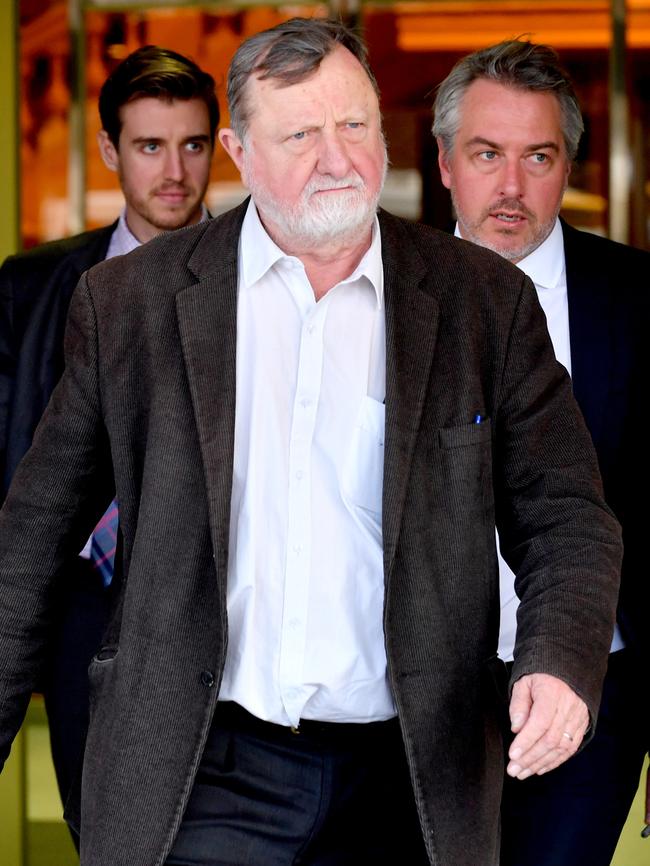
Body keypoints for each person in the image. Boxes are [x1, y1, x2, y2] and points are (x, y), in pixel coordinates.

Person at [0, 19, 621, 866]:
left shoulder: (485, 304)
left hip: (412, 771)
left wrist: (558, 659)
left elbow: (567, 516)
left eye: (355, 126)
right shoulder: (131, 305)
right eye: (300, 135)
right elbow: (32, 538)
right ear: (238, 150)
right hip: (206, 766)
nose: (338, 159)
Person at [433, 38, 649, 866]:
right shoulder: (373, 295)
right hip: (417, 694)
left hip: (598, 687)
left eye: (539, 157)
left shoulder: (636, 303)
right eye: (487, 154)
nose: (512, 188)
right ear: (446, 161)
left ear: (569, 166)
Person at [0, 44, 218, 811]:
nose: (174, 172)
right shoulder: (32, 288)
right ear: (107, 151)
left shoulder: (263, 281)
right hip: (82, 605)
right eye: (149, 146)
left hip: (216, 606)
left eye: (193, 145)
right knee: (98, 830)